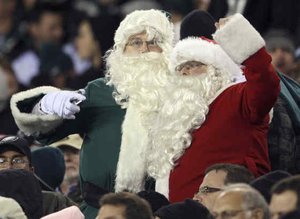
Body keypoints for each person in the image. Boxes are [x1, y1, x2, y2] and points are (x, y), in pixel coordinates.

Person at [10, 9, 174, 219]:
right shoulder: (102, 91)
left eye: (153, 41)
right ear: (122, 51)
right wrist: (44, 105)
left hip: (160, 211)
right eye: (136, 42)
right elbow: (44, 132)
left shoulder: (179, 95)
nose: (145, 49)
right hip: (99, 211)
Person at [145, 13, 280, 202]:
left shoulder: (237, 96)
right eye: (181, 68)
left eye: (194, 65)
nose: (186, 72)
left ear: (218, 69)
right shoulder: (175, 115)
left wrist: (237, 36)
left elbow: (266, 85)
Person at [0, 135, 75, 216]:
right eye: (1, 160)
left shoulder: (53, 202)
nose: (9, 167)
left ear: (31, 170)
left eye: (17, 160)